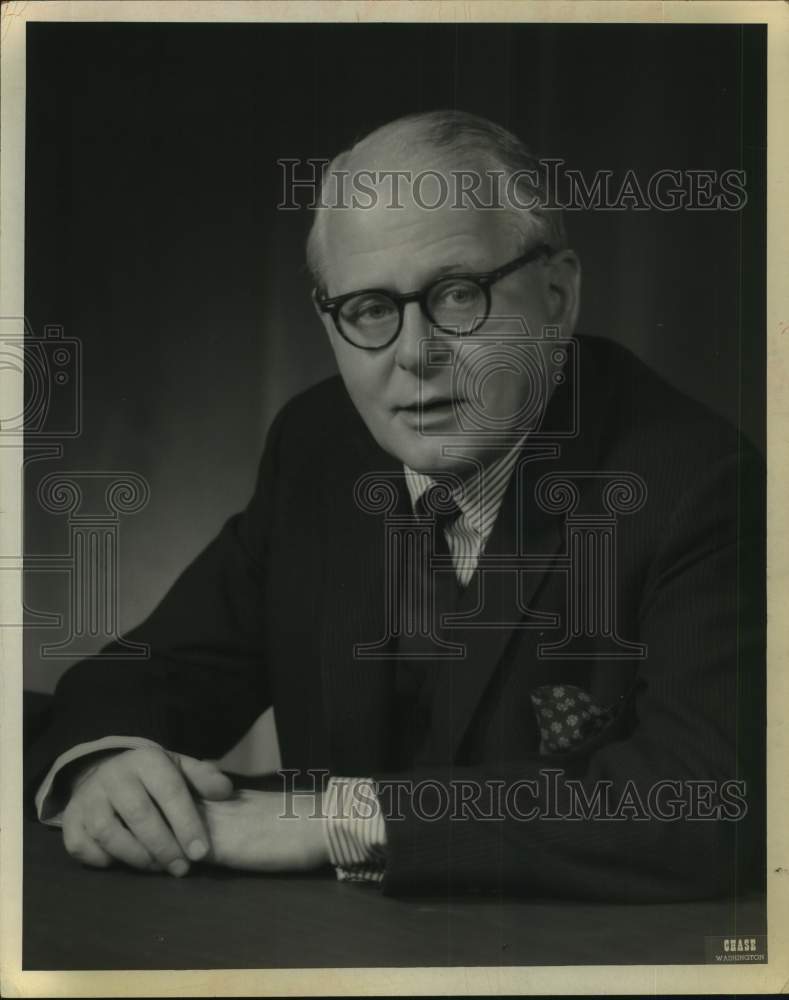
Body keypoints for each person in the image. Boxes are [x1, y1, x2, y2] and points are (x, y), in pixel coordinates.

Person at [28, 110, 765, 900]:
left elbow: (704, 801)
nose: (415, 354)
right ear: (330, 321)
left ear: (556, 296)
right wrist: (105, 764)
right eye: (371, 309)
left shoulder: (697, 482)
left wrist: (334, 822)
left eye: (458, 294)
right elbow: (161, 671)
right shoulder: (318, 446)